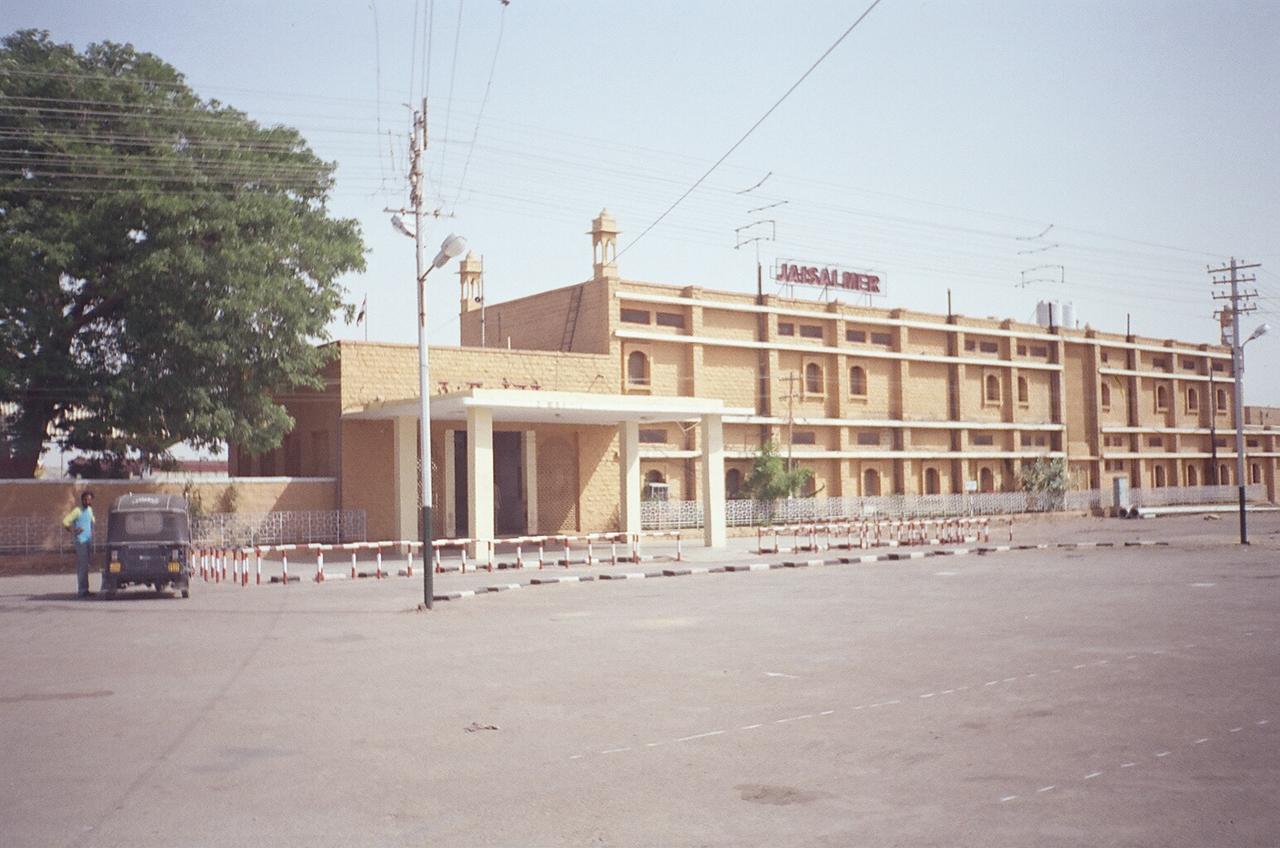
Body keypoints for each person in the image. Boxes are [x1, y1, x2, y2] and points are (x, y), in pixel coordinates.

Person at [62, 491, 95, 598]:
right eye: (85, 499)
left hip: (88, 540)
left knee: (86, 565)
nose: (87, 501)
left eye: (89, 499)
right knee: (83, 566)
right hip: (80, 541)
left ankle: (86, 589)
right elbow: (65, 521)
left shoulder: (89, 510)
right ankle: (82, 590)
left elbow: (91, 522)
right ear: (82, 500)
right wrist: (73, 530)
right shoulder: (77, 510)